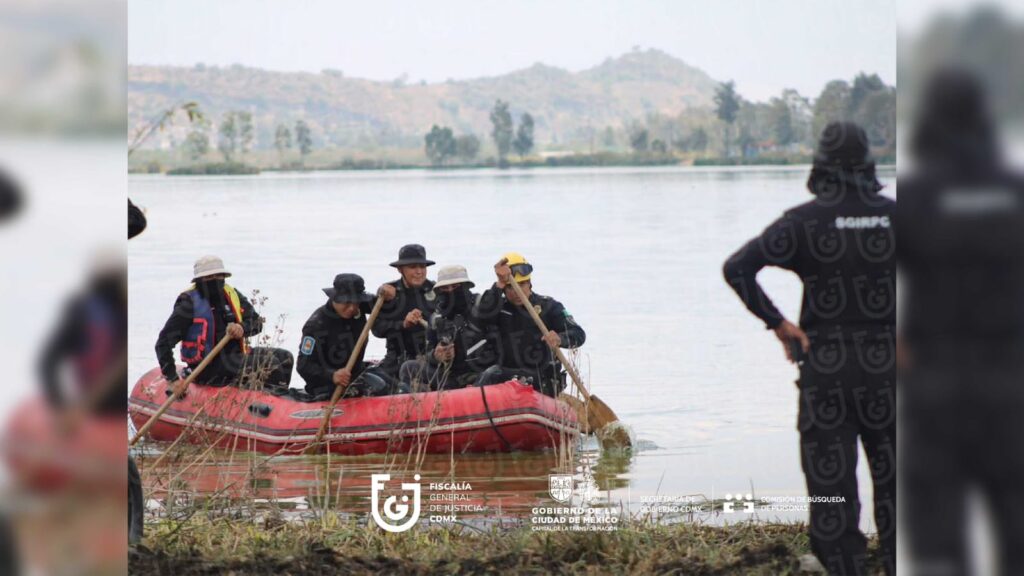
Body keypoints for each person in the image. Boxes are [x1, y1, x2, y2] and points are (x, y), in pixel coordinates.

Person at [722, 122, 896, 575]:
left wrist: (778, 324)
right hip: (891, 368)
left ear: (821, 163)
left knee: (832, 491)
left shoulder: (803, 221)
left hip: (828, 371)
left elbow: (738, 268)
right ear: (868, 162)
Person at [900, 69, 1024, 576]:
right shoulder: (1015, 192)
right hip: (1012, 387)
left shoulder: (913, 197)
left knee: (937, 545)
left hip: (936, 390)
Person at [155, 255, 294, 394]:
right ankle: (262, 401)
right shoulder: (188, 305)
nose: (215, 280)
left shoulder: (231, 294)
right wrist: (173, 379)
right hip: (207, 367)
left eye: (219, 276)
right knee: (270, 364)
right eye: (209, 277)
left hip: (235, 355)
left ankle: (275, 402)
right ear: (199, 280)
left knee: (284, 358)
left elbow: (256, 322)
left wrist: (242, 328)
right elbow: (163, 343)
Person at [474, 252, 585, 397]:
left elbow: (578, 334)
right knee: (491, 374)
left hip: (541, 378)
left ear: (529, 283)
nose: (516, 291)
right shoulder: (497, 309)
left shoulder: (549, 307)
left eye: (522, 284)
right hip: (505, 376)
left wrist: (560, 338)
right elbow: (480, 317)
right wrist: (499, 284)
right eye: (510, 287)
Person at [297, 273, 407, 399]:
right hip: (327, 383)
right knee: (379, 389)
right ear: (335, 298)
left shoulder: (357, 306)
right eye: (347, 303)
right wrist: (332, 375)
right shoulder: (315, 326)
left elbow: (383, 305)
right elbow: (303, 365)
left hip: (356, 372)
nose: (352, 308)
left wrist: (389, 296)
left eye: (356, 303)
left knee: (398, 387)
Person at [399, 265, 492, 391]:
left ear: (466, 286)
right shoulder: (436, 318)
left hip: (481, 374)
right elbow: (428, 352)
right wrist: (437, 356)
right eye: (445, 288)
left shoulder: (482, 306)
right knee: (408, 367)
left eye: (455, 287)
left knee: (493, 372)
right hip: (450, 377)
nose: (450, 291)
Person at [372, 244, 437, 379]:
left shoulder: (437, 291)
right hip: (396, 359)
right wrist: (403, 325)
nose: (419, 271)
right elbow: (377, 329)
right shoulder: (388, 293)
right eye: (413, 267)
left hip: (430, 360)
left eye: (422, 267)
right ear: (400, 269)